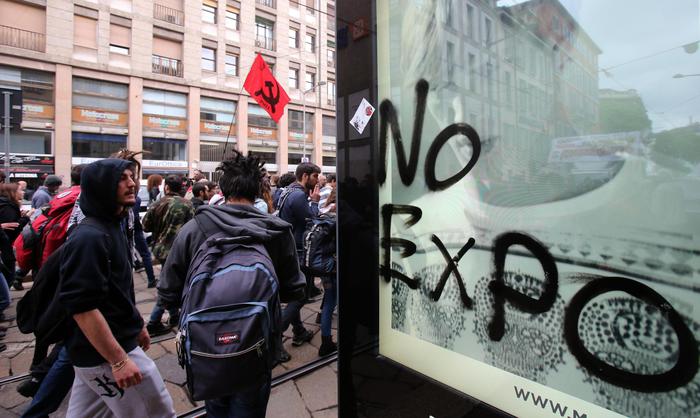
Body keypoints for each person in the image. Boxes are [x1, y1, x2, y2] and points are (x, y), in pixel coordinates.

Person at [157, 150, 305, 417]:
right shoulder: (277, 230)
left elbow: (167, 288)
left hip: (205, 345)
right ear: (259, 189)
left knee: (216, 407)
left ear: (222, 188)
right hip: (258, 343)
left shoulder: (196, 227)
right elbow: (294, 289)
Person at [58, 158, 175, 417]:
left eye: (131, 176)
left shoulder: (114, 226)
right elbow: (82, 307)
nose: (132, 183)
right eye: (122, 178)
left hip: (108, 348)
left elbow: (118, 291)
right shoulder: (89, 237)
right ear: (101, 187)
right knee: (158, 412)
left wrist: (136, 324)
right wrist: (119, 360)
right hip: (106, 354)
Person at [277, 162, 323, 358]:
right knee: (301, 296)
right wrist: (314, 202)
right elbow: (311, 220)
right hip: (298, 250)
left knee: (295, 292)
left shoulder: (286, 192)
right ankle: (276, 334)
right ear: (305, 176)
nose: (317, 181)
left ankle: (299, 331)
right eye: (314, 177)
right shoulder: (298, 196)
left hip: (287, 248)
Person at [142, 175, 194, 336]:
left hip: (160, 249)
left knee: (169, 282)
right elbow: (193, 227)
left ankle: (174, 316)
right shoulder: (186, 205)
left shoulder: (157, 203)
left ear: (166, 187)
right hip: (178, 251)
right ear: (181, 187)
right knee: (169, 285)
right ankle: (154, 321)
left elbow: (145, 226)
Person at [0, 183, 31, 290]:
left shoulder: (6, 205)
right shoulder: (8, 206)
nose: (23, 192)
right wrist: (26, 217)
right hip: (5, 249)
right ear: (12, 193)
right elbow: (13, 228)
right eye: (20, 190)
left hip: (5, 248)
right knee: (8, 277)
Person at [318, 188, 337, 356]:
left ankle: (326, 340)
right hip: (335, 267)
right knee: (334, 301)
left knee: (329, 303)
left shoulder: (323, 213)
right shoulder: (338, 219)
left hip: (323, 266)